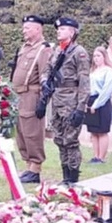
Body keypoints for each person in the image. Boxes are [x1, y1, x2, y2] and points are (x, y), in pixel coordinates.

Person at [42, 17, 90, 185]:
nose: (58, 31)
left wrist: (81, 108)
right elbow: (47, 70)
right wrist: (44, 82)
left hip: (71, 100)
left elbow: (84, 81)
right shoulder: (57, 51)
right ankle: (65, 176)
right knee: (60, 139)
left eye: (63, 29)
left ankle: (73, 177)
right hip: (57, 98)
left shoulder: (79, 52)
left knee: (71, 141)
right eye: (58, 29)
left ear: (72, 32)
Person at [12, 15, 53, 184]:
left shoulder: (43, 49)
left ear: (38, 29)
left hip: (32, 95)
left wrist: (43, 101)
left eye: (27, 28)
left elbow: (45, 76)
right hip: (19, 95)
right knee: (21, 132)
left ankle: (35, 168)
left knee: (32, 132)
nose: (24, 30)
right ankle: (28, 166)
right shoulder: (24, 48)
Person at [87, 46, 112, 164]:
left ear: (104, 57)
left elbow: (107, 90)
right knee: (94, 131)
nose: (96, 58)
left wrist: (97, 104)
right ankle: (95, 156)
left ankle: (101, 157)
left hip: (102, 102)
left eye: (98, 56)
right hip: (91, 99)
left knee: (102, 131)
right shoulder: (93, 71)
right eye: (94, 56)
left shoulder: (108, 71)